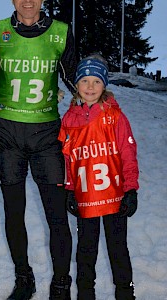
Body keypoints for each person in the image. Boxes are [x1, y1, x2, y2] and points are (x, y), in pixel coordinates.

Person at [0, 0, 77, 299]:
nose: (27, 1)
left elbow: (78, 81)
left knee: (57, 214)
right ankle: (24, 277)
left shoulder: (61, 32)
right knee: (14, 211)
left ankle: (61, 282)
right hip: (7, 133)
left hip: (47, 134)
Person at [59, 54, 139, 300]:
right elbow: (69, 158)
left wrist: (131, 189)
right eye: (85, 81)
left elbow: (128, 152)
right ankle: (85, 293)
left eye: (96, 81)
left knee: (117, 248)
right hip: (86, 197)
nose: (90, 87)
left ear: (104, 84)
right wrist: (70, 189)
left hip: (113, 196)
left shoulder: (115, 116)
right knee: (86, 249)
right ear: (77, 85)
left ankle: (125, 292)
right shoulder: (70, 119)